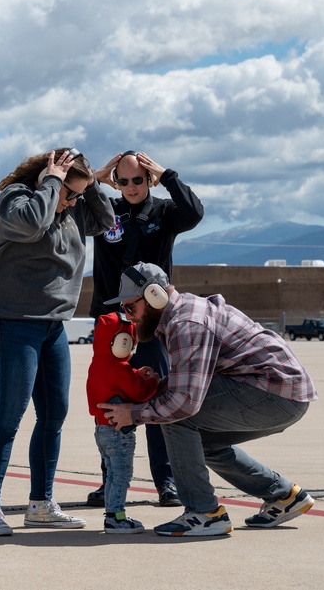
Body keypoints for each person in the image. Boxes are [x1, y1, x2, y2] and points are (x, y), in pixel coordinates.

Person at [98, 263, 318, 537]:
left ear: (155, 296)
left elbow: (184, 402)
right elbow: (192, 381)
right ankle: (284, 496)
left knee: (178, 415)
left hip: (275, 394)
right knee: (204, 441)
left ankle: (203, 513)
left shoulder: (187, 323)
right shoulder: (179, 316)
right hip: (280, 393)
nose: (129, 317)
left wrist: (134, 414)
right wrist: (153, 386)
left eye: (131, 307)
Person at [0, 148, 115, 536]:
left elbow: (105, 222)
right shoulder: (16, 201)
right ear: (49, 177)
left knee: (54, 416)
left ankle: (41, 503)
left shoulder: (71, 207)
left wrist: (93, 186)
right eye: (69, 193)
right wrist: (52, 183)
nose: (71, 202)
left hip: (54, 326)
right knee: (9, 415)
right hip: (17, 322)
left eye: (76, 196)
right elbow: (33, 225)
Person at [87, 150, 204, 509]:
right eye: (123, 180)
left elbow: (195, 213)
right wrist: (94, 179)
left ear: (148, 179)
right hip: (111, 320)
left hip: (151, 321)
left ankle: (165, 481)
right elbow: (75, 202)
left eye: (138, 179)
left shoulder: (165, 214)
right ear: (114, 182)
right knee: (111, 401)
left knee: (157, 395)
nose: (131, 186)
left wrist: (167, 175)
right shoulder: (104, 211)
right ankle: (111, 483)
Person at [86, 312, 159, 534]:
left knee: (111, 474)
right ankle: (116, 517)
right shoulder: (120, 368)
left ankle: (112, 513)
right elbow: (138, 393)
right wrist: (153, 381)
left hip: (101, 429)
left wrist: (136, 372)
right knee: (122, 475)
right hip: (119, 432)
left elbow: (115, 382)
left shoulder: (98, 364)